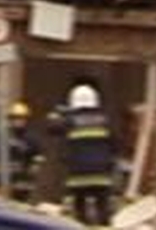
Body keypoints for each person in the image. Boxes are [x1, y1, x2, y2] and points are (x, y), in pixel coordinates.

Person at [50, 83, 115, 226]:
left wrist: (58, 114)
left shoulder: (70, 120)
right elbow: (114, 144)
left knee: (80, 213)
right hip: (101, 175)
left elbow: (52, 129)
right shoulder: (105, 120)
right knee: (103, 211)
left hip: (78, 175)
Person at [7, 101, 43, 202]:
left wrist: (35, 167)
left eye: (21, 118)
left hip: (24, 180)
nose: (19, 121)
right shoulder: (5, 137)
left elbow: (38, 156)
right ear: (11, 119)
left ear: (26, 119)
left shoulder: (31, 138)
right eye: (16, 118)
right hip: (7, 180)